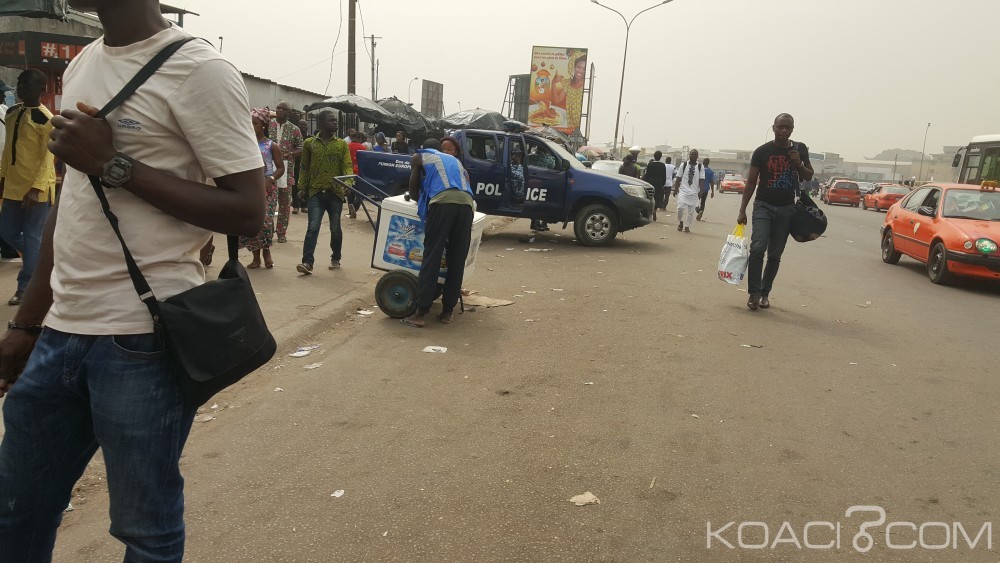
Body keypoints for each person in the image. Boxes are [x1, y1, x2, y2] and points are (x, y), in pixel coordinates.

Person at [0, 2, 264, 560]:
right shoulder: (83, 63)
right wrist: (28, 322)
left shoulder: (200, 71)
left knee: (146, 532)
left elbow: (247, 211)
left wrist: (114, 164)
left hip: (143, 338)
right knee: (16, 510)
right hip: (60, 333)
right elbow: (71, 203)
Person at [737, 113, 813, 311]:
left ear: (792, 129)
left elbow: (809, 176)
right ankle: (753, 292)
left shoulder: (800, 149)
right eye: (780, 127)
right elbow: (752, 181)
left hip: (787, 208)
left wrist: (799, 163)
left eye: (788, 127)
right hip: (763, 205)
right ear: (773, 128)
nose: (784, 131)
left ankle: (764, 293)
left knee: (774, 255)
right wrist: (742, 209)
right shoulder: (762, 151)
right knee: (757, 248)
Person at [400, 138, 475, 328]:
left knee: (432, 256)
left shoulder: (419, 156)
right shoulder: (455, 161)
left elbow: (414, 192)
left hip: (442, 203)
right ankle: (447, 312)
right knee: (457, 259)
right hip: (467, 205)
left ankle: (420, 313)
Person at [0, 69, 56, 306]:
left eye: (27, 83)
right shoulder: (12, 113)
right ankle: (45, 259)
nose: (21, 86)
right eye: (20, 82)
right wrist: (2, 178)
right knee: (7, 232)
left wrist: (36, 187)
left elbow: (47, 157)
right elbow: (7, 151)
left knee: (32, 236)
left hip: (37, 189)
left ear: (40, 89)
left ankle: (26, 287)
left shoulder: (47, 119)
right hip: (13, 185)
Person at [297, 109, 353, 274]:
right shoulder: (310, 144)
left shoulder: (341, 144)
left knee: (335, 228)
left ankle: (336, 257)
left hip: (335, 193)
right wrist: (302, 187)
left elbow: (347, 166)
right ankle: (307, 263)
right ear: (321, 124)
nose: (335, 123)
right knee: (313, 227)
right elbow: (304, 167)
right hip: (315, 192)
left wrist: (348, 183)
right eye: (331, 120)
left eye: (336, 120)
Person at [241, 107, 284, 269]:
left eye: (255, 123)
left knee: (265, 222)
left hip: (267, 189)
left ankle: (266, 251)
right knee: (253, 222)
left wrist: (271, 179)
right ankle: (255, 257)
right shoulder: (246, 144)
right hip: (250, 187)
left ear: (264, 125)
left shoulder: (272, 146)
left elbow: (280, 168)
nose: (252, 126)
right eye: (250, 123)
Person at [269, 101, 303, 243]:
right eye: (278, 108)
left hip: (286, 169)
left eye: (283, 109)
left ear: (288, 112)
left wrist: (291, 153)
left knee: (284, 203)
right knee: (269, 202)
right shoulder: (268, 126)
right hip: (268, 168)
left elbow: (301, 147)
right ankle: (268, 232)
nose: (280, 110)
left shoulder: (294, 129)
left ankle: (281, 232)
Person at [552, 50, 587, 128]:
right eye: (578, 67)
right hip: (570, 129)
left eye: (584, 69)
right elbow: (557, 101)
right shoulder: (567, 84)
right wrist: (553, 83)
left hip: (581, 127)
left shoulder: (585, 86)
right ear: (574, 67)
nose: (580, 71)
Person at [672, 149, 704, 232]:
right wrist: (676, 189)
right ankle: (680, 222)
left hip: (694, 192)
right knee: (680, 208)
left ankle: (687, 226)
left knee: (691, 212)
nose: (693, 156)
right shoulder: (684, 165)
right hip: (683, 191)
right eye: (692, 154)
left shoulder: (700, 166)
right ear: (689, 155)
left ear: (697, 156)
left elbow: (701, 179)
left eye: (695, 154)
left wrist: (701, 191)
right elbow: (678, 177)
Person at [346, 131, 366, 219]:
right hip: (359, 173)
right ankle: (356, 206)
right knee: (360, 192)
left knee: (350, 192)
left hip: (349, 172)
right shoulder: (362, 147)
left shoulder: (347, 146)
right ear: (359, 138)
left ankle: (350, 211)